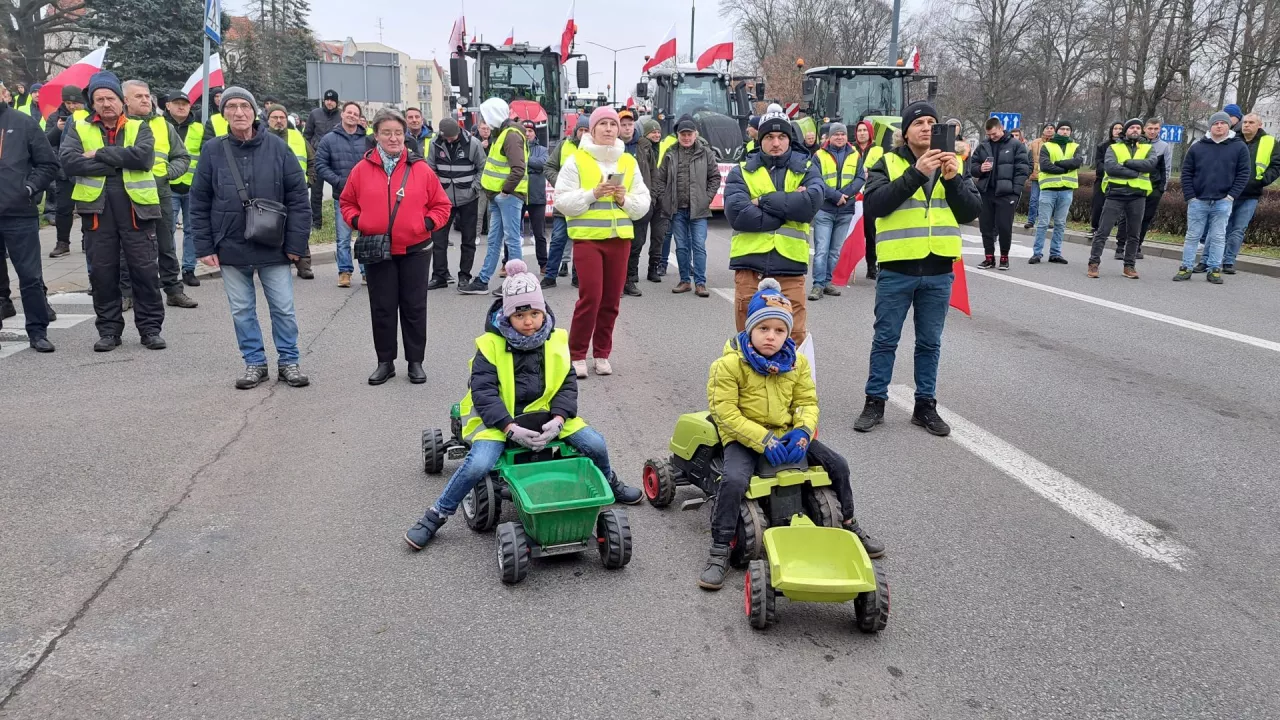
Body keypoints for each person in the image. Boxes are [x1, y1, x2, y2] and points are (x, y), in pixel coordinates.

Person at [402, 261, 642, 550]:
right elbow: (484, 392)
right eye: (520, 315)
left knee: (596, 443)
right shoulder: (490, 345)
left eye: (535, 313)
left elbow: (566, 384)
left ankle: (611, 483)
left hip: (548, 418)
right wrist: (508, 427)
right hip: (501, 422)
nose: (529, 321)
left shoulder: (556, 341)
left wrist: (559, 419)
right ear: (507, 314)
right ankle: (436, 515)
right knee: (478, 464)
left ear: (543, 312)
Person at [698, 280, 883, 590]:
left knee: (837, 465)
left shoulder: (796, 363)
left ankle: (849, 523)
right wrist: (762, 439)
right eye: (764, 329)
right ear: (750, 329)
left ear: (787, 333)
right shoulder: (729, 365)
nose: (771, 336)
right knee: (733, 481)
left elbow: (807, 403)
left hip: (786, 435)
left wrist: (802, 431)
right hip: (744, 437)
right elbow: (725, 414)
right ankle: (719, 548)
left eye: (779, 330)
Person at [853, 101, 981, 436]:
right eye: (919, 122)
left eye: (932, 122)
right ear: (905, 132)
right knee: (885, 339)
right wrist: (917, 173)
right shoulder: (888, 162)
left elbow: (969, 212)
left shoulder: (954, 163)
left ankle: (925, 406)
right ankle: (874, 402)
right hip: (898, 269)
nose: (926, 127)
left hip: (938, 269)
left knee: (929, 342)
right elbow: (876, 205)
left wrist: (953, 180)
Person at [190, 87, 311, 389]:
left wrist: (297, 245)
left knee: (282, 307)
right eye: (232, 106)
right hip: (230, 243)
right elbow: (199, 200)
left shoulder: (277, 148)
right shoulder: (213, 150)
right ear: (224, 113)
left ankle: (289, 361)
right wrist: (203, 246)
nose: (239, 112)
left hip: (274, 243)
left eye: (245, 106)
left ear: (255, 111)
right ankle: (254, 362)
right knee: (242, 309)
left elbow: (298, 198)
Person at [341, 108, 452, 385]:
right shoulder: (361, 169)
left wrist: (425, 225)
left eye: (398, 133)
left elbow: (442, 206)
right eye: (387, 133)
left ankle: (415, 362)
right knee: (382, 307)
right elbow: (346, 202)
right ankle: (385, 361)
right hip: (378, 249)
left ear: (405, 136)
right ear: (376, 135)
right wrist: (359, 220)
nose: (393, 138)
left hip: (415, 249)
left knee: (414, 307)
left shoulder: (421, 169)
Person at [60, 71, 167, 352]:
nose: (106, 103)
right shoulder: (79, 127)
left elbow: (143, 158)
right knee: (103, 274)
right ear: (92, 103)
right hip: (97, 212)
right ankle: (108, 330)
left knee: (144, 272)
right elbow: (69, 163)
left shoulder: (139, 126)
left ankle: (150, 330)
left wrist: (97, 154)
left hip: (136, 211)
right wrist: (119, 161)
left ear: (121, 101)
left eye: (110, 98)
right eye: (99, 99)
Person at [553, 106, 652, 377]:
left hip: (619, 240)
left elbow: (643, 203)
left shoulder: (628, 162)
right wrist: (592, 193)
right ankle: (576, 354)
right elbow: (561, 200)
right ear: (592, 129)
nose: (609, 129)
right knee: (591, 297)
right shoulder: (577, 159)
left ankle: (602, 353)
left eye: (613, 124)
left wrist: (623, 199)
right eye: (603, 124)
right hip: (587, 240)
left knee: (611, 300)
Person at [723, 104, 822, 345]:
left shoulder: (807, 169)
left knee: (793, 338)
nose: (775, 143)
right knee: (749, 336)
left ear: (789, 139)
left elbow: (809, 205)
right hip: (750, 269)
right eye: (769, 137)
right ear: (760, 140)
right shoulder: (742, 171)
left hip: (790, 269)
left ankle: (788, 384)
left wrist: (762, 201)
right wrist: (788, 210)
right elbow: (738, 214)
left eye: (781, 136)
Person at [123, 79, 197, 310]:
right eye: (139, 96)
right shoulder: (120, 124)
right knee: (128, 247)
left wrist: (166, 174)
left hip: (160, 193)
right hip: (128, 194)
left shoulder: (164, 125)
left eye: (147, 96)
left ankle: (174, 291)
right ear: (125, 100)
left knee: (166, 245)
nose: (145, 100)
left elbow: (182, 157)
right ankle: (126, 293)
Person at [0, 83, 59, 352]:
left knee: (30, 276)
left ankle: (37, 331)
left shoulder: (22, 123)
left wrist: (29, 188)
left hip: (18, 213)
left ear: (4, 94)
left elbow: (48, 164)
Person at [1172, 112, 1250, 285]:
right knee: (1192, 236)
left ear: (1228, 125)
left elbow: (1243, 173)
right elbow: (1186, 172)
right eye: (1216, 123)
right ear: (1210, 126)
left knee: (1218, 236)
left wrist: (1231, 196)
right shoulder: (1198, 147)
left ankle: (1214, 269)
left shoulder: (1239, 147)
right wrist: (1191, 197)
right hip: (1198, 201)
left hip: (1223, 201)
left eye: (1223, 123)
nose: (1219, 126)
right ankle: (1186, 267)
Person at [460, 98, 527, 295]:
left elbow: (518, 169)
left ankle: (518, 284)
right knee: (495, 240)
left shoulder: (510, 135)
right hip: (501, 196)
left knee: (511, 240)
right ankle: (483, 280)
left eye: (486, 116)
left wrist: (505, 192)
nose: (484, 120)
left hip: (508, 196)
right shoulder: (505, 133)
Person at [650, 115, 719, 297]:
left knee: (698, 245)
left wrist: (707, 198)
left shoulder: (706, 153)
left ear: (695, 134)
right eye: (683, 134)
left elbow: (715, 177)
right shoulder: (670, 154)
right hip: (677, 209)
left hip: (699, 209)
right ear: (678, 135)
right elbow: (660, 180)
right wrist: (659, 199)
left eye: (689, 134)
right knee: (681, 246)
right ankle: (684, 280)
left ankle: (700, 283)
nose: (686, 138)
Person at [1087, 118, 1159, 279]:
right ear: (1125, 131)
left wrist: (1126, 163)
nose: (1135, 130)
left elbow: (1150, 165)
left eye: (1138, 128)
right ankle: (1093, 263)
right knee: (1103, 231)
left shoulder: (1148, 148)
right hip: (1116, 194)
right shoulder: (1114, 147)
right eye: (1131, 127)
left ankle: (1129, 266)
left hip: (1137, 195)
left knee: (1134, 233)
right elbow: (1111, 168)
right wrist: (1135, 172)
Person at [426, 117, 486, 289]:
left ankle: (464, 276)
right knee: (438, 239)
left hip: (468, 198)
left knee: (468, 239)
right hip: (443, 201)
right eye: (447, 137)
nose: (450, 140)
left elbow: (483, 167)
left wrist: (474, 188)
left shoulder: (473, 143)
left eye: (452, 137)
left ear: (458, 131)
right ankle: (439, 276)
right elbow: (431, 169)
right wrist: (436, 191)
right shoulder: (435, 143)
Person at [316, 101, 371, 287]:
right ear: (342, 114)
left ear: (359, 117)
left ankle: (366, 272)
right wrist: (339, 181)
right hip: (343, 197)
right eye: (349, 112)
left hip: (366, 197)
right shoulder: (329, 139)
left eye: (356, 113)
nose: (352, 116)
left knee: (366, 236)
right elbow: (321, 166)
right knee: (343, 238)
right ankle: (345, 272)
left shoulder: (367, 140)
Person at [808, 121, 864, 300]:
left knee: (835, 251)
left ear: (847, 137)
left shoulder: (855, 155)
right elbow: (815, 180)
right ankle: (817, 285)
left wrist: (844, 195)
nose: (840, 137)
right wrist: (834, 196)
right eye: (836, 134)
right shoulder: (819, 155)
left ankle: (827, 282)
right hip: (825, 208)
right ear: (830, 137)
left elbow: (860, 178)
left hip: (845, 209)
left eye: (843, 134)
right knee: (822, 249)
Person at [1221, 112, 1280, 274]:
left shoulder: (1269, 142)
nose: (1246, 125)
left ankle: (1228, 262)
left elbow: (1276, 165)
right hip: (1228, 192)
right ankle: (1215, 259)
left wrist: (1261, 180)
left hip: (1250, 194)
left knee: (1238, 229)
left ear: (1259, 125)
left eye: (1251, 122)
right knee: (1222, 227)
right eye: (1245, 122)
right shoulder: (1232, 139)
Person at [970, 117, 1030, 270]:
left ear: (1001, 128)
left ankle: (1004, 257)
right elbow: (972, 166)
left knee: (1004, 227)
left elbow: (1023, 169)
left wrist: (1015, 192)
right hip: (986, 192)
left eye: (994, 134)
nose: (992, 137)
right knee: (986, 227)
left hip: (1006, 194)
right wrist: (979, 169)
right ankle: (988, 258)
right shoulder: (983, 146)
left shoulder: (1016, 145)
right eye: (989, 135)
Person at [266, 104, 315, 279]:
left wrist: (310, 180)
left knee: (299, 227)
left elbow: (312, 160)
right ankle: (273, 263)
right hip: (270, 192)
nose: (279, 121)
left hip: (295, 191)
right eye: (275, 118)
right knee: (270, 227)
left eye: (282, 118)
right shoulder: (260, 138)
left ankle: (304, 265)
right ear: (268, 120)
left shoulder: (297, 136)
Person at [542, 117, 589, 287]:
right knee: (558, 239)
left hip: (584, 201)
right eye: (581, 130)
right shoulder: (563, 145)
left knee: (580, 241)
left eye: (587, 131)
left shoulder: (594, 149)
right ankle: (550, 276)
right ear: (576, 130)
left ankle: (578, 277)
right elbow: (548, 167)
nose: (583, 134)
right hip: (564, 201)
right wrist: (561, 183)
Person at [1030, 121, 1081, 265]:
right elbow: (1045, 166)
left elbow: (1077, 162)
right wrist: (1066, 168)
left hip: (1066, 190)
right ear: (1057, 131)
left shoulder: (1075, 146)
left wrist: (1058, 164)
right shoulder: (1047, 146)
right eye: (1062, 129)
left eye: (1068, 129)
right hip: (1048, 190)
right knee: (1043, 223)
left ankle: (1055, 253)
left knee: (1060, 223)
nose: (1065, 132)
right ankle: (1037, 253)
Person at [44, 85, 86, 259]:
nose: (71, 106)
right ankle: (63, 243)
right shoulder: (55, 117)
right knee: (63, 209)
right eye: (68, 102)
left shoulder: (89, 116)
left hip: (85, 168)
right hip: (64, 170)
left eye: (75, 102)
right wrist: (57, 129)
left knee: (87, 208)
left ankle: (87, 240)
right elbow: (45, 142)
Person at [630, 118, 670, 288]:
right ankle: (632, 272)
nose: (656, 134)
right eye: (653, 132)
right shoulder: (642, 148)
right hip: (647, 198)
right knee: (638, 238)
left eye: (658, 132)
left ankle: (653, 268)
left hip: (663, 200)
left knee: (658, 237)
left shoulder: (666, 148)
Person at [1126, 118, 1173, 259]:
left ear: (1160, 130)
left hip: (1153, 188)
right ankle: (1125, 245)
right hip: (1135, 186)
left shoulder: (1164, 146)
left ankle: (1137, 246)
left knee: (1146, 218)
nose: (1153, 132)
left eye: (1156, 129)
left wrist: (1162, 188)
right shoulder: (1136, 142)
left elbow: (1167, 168)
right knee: (1131, 217)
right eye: (1150, 128)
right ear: (1144, 129)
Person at [304, 89, 342, 228]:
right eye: (327, 99)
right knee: (316, 193)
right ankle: (316, 223)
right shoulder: (315, 114)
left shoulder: (341, 116)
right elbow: (307, 135)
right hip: (318, 158)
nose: (329, 102)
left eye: (332, 100)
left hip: (335, 159)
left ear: (336, 102)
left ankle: (342, 220)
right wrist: (311, 153)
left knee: (340, 191)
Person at [853, 120, 884, 280]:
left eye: (865, 130)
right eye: (859, 130)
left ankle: (872, 266)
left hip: (870, 194)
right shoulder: (851, 149)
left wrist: (868, 172)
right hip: (854, 196)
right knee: (853, 231)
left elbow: (879, 169)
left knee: (871, 233)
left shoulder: (877, 150)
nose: (862, 133)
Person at [522, 120, 549, 274]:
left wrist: (525, 161)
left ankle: (543, 264)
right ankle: (507, 264)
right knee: (511, 235)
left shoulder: (542, 150)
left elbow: (542, 164)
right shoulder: (516, 147)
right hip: (518, 195)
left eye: (530, 131)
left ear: (535, 133)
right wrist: (533, 167)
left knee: (539, 234)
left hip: (537, 198)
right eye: (525, 130)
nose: (527, 134)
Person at [1090, 122, 1123, 241]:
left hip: (1119, 181)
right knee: (1098, 204)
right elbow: (1099, 164)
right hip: (1103, 179)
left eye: (1120, 128)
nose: (1118, 131)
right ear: (1111, 130)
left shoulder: (1126, 146)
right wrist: (1111, 171)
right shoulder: (1103, 146)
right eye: (1115, 128)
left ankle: (1109, 228)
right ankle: (1095, 228)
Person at [1024, 123, 1055, 228]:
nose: (1049, 130)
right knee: (1034, 199)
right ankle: (1031, 221)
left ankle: (1045, 221)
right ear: (1043, 130)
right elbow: (1028, 158)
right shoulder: (1035, 143)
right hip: (1036, 176)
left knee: (1047, 201)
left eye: (1051, 128)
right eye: (1047, 128)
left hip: (1050, 177)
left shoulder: (1056, 143)